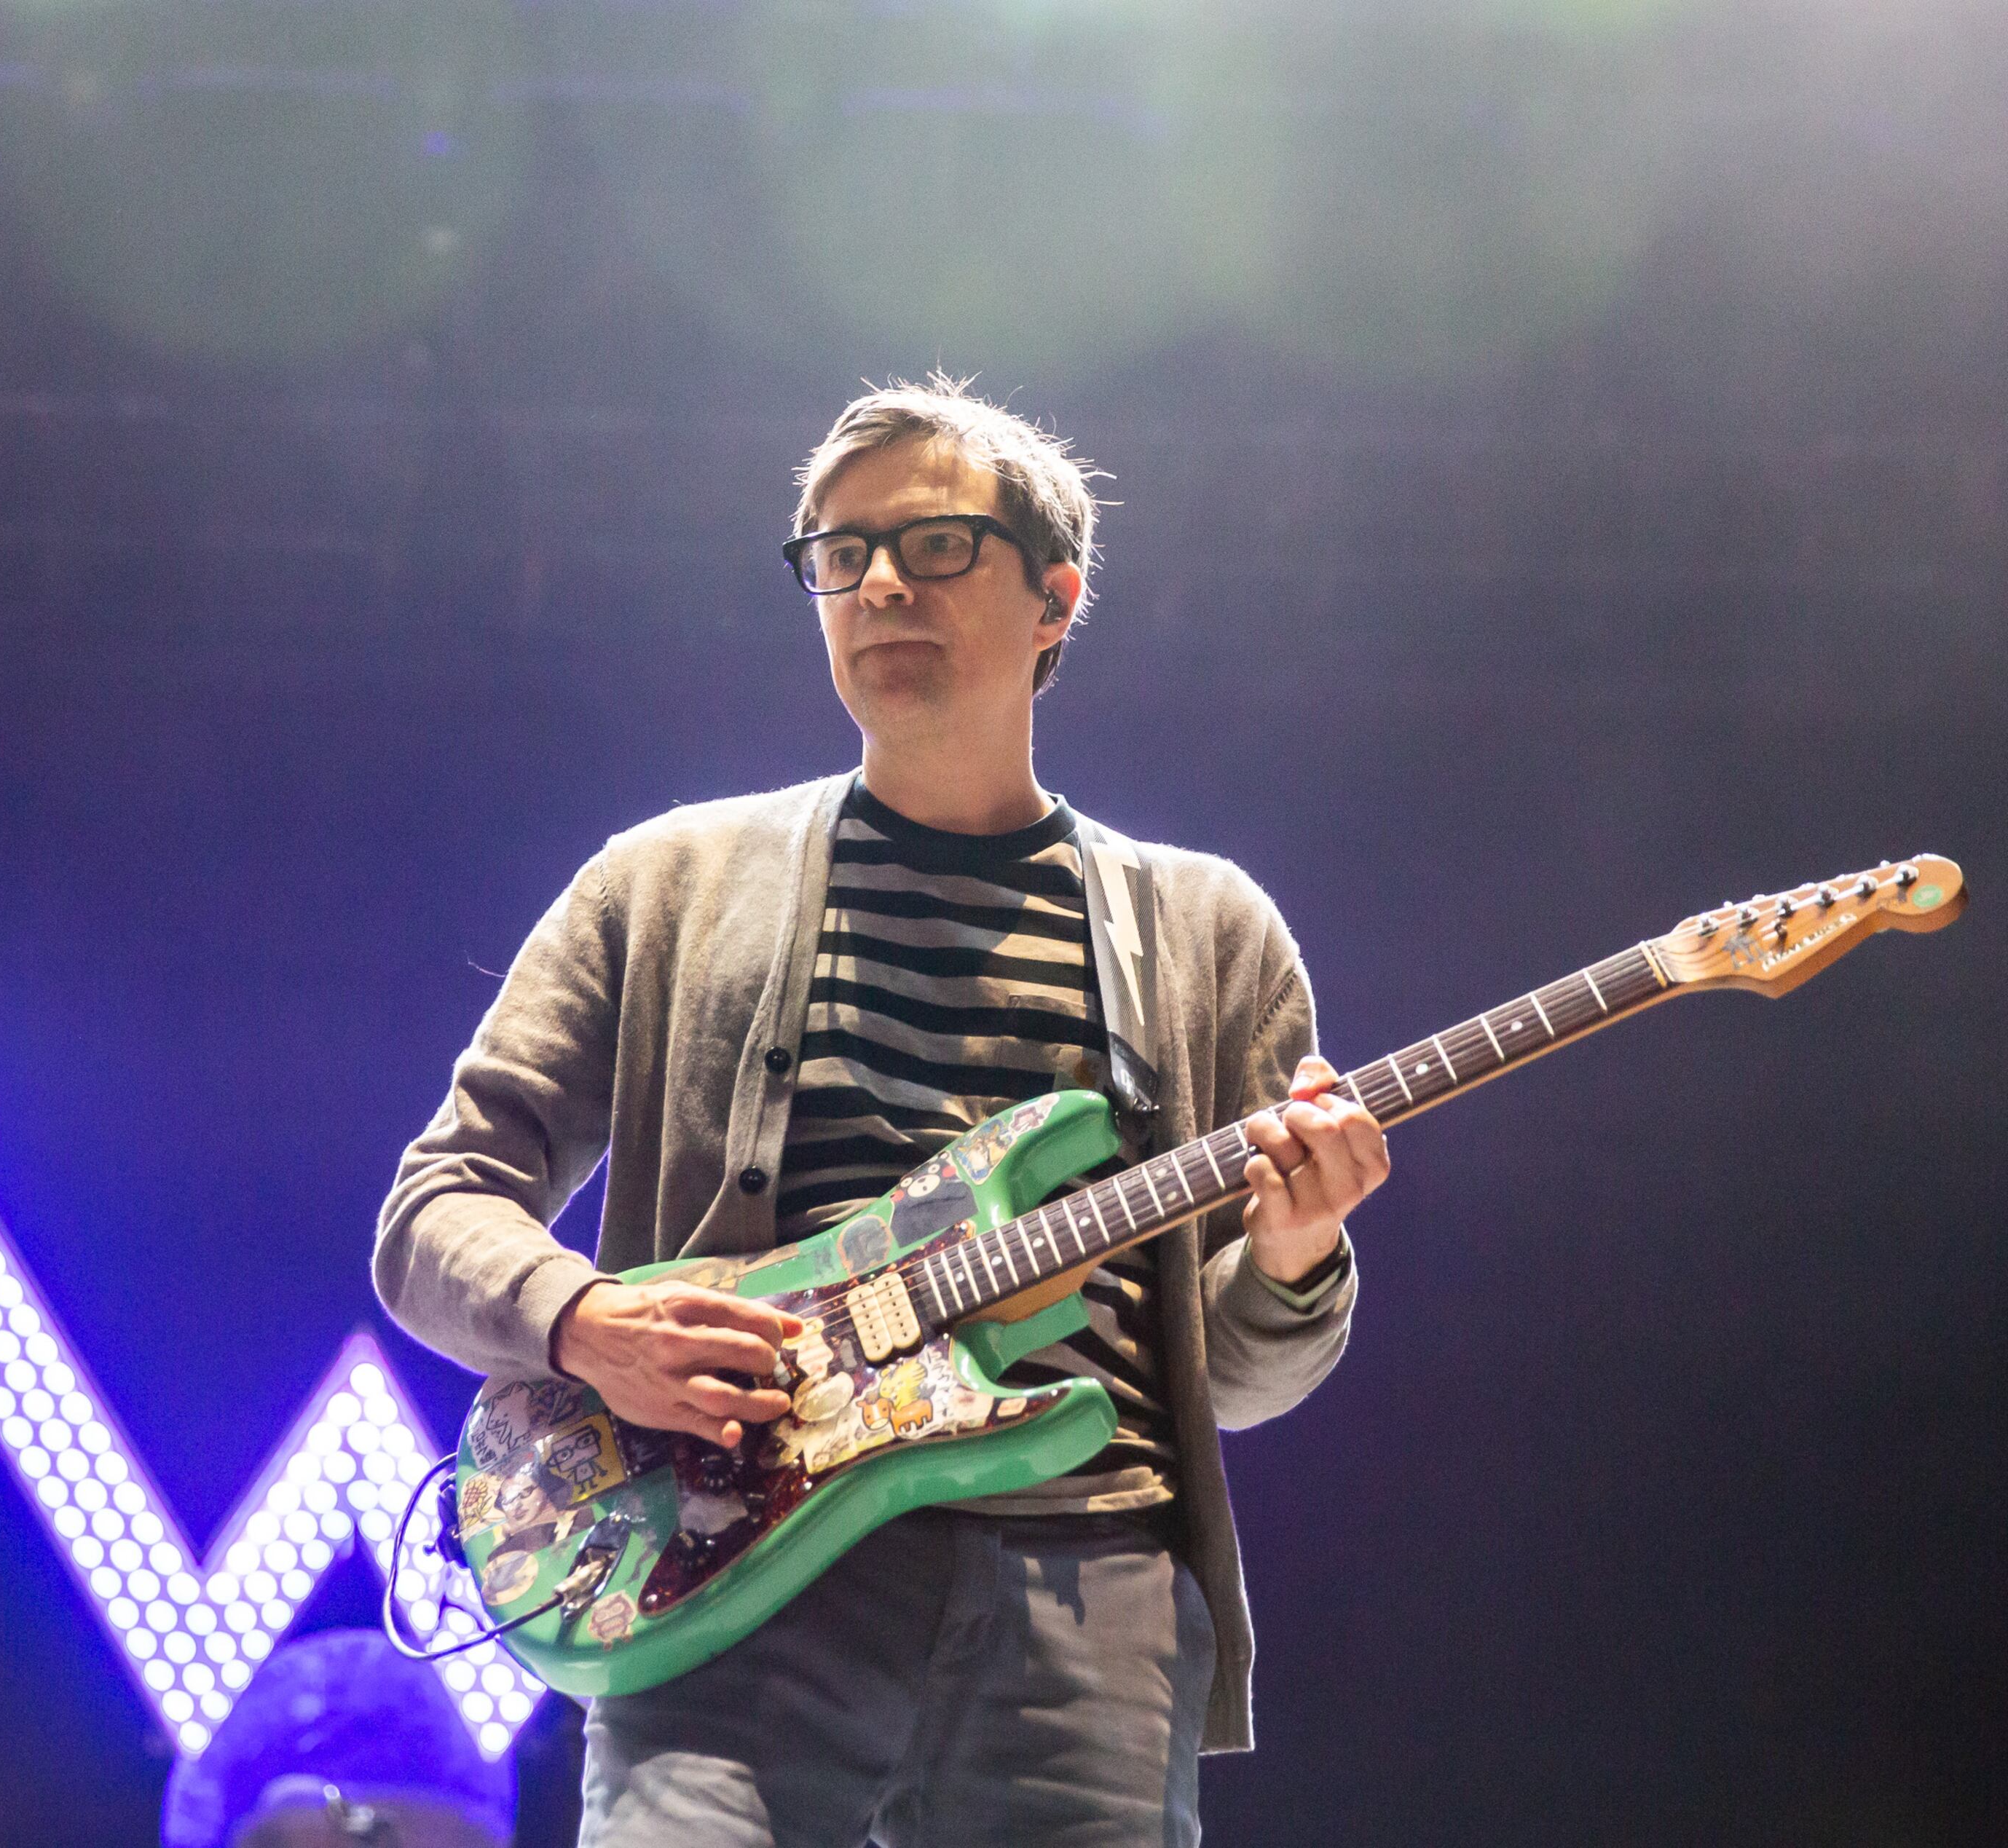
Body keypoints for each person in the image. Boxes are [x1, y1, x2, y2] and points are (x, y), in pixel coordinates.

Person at [374, 376, 1390, 1847]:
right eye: (840, 555)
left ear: (1057, 599)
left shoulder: (1210, 933)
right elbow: (437, 1207)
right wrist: (585, 1321)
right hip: (721, 1581)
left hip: (1085, 1601)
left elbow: (1233, 1375)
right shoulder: (662, 883)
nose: (880, 585)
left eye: (935, 544)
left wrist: (1294, 1256)